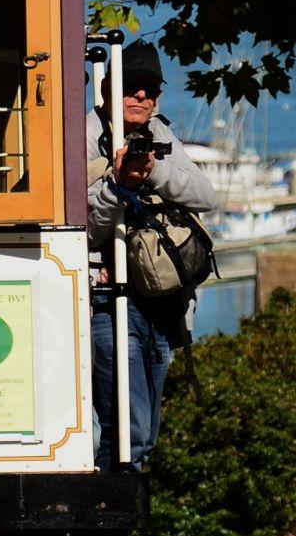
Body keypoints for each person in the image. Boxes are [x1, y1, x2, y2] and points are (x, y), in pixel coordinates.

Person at [87, 39, 216, 482]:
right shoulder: (83, 137)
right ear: (107, 90)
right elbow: (82, 231)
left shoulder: (161, 133)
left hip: (162, 307)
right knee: (125, 433)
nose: (142, 97)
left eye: (151, 90)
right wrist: (117, 185)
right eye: (132, 87)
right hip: (107, 302)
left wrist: (153, 168)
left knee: (143, 439)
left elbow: (205, 196)